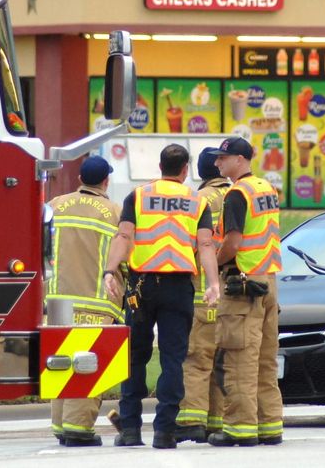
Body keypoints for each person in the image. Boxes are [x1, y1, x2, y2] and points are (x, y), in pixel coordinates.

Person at [102, 144, 221, 449]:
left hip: (142, 287)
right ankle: (165, 431)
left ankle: (129, 429)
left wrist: (109, 271)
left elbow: (124, 236)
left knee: (135, 357)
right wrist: (213, 282)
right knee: (172, 358)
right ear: (185, 170)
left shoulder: (138, 196)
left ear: (159, 166)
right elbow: (206, 245)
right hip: (179, 287)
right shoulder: (196, 200)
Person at [208, 135, 284, 447]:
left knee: (239, 359)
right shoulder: (266, 188)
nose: (217, 163)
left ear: (240, 160)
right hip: (268, 282)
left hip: (243, 286)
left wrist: (212, 262)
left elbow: (233, 243)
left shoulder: (237, 194)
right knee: (266, 360)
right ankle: (269, 426)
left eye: (222, 158)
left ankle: (239, 428)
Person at [44, 155, 122, 447]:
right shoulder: (114, 212)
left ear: (80, 180)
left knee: (60, 361)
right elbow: (123, 256)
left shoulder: (54, 206)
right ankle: (78, 428)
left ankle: (60, 424)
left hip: (57, 299)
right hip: (96, 300)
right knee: (88, 363)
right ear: (106, 181)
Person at [175, 148, 231, 443]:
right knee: (223, 359)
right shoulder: (240, 194)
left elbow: (188, 244)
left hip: (201, 290)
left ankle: (191, 420)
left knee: (197, 358)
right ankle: (217, 421)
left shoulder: (198, 201)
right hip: (234, 291)